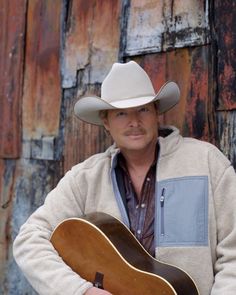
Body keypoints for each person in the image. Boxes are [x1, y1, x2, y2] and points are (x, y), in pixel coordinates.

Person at [13, 61, 236, 295]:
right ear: (106, 122)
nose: (134, 122)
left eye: (143, 109)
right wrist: (80, 291)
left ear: (156, 113)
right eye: (121, 113)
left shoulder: (206, 162)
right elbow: (29, 239)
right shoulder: (85, 179)